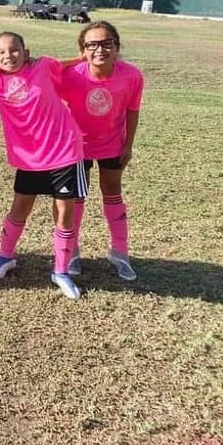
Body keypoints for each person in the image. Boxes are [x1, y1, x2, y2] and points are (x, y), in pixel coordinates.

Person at [0, 31, 87, 299]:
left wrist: (82, 57)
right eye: (1, 52)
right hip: (28, 159)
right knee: (19, 210)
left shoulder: (42, 66)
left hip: (64, 152)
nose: (8, 56)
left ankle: (60, 271)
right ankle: (5, 258)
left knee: (64, 214)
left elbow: (62, 65)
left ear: (26, 53)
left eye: (15, 50)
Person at [60, 21, 143, 281]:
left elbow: (132, 110)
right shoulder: (71, 74)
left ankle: (120, 252)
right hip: (77, 147)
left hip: (112, 144)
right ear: (82, 49)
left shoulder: (131, 75)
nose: (100, 49)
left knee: (113, 194)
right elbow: (44, 72)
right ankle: (71, 251)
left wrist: (128, 144)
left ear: (117, 47)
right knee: (76, 200)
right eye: (92, 44)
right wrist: (76, 59)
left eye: (107, 43)